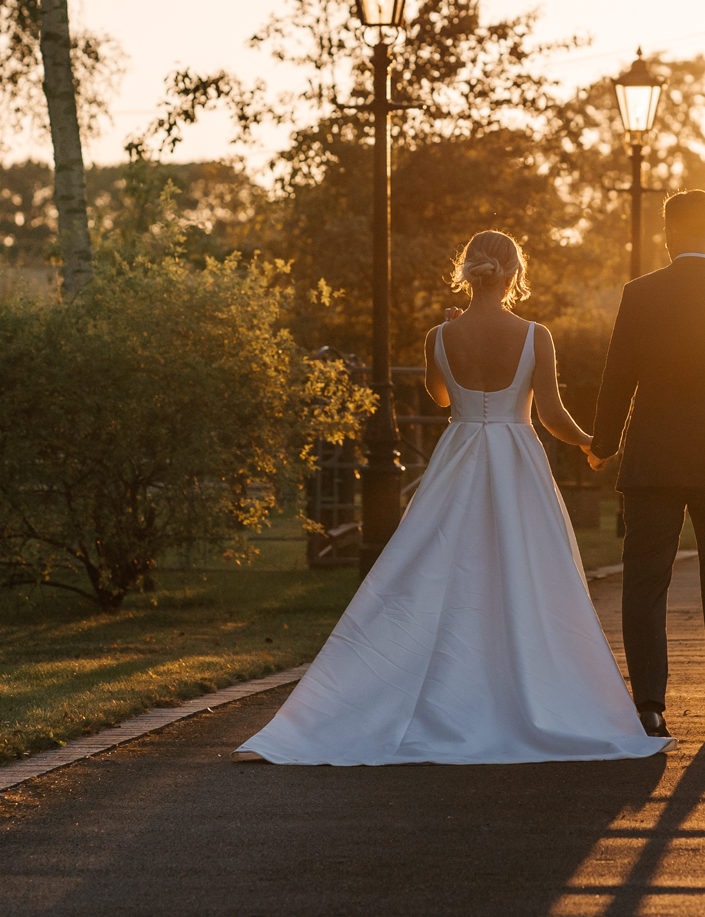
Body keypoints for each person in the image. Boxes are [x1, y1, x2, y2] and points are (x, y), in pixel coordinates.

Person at [237, 230, 670, 765]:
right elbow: (551, 414)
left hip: (459, 455)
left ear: (469, 273)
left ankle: (431, 689)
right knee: (527, 572)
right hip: (516, 459)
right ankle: (526, 686)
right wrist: (590, 444)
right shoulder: (536, 335)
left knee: (445, 565)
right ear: (513, 275)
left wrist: (448, 337)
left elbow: (441, 398)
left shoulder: (439, 336)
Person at [590, 189, 705, 739]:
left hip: (653, 457)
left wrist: (603, 444)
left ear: (666, 235)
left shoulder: (640, 294)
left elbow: (617, 377)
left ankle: (649, 706)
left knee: (645, 582)